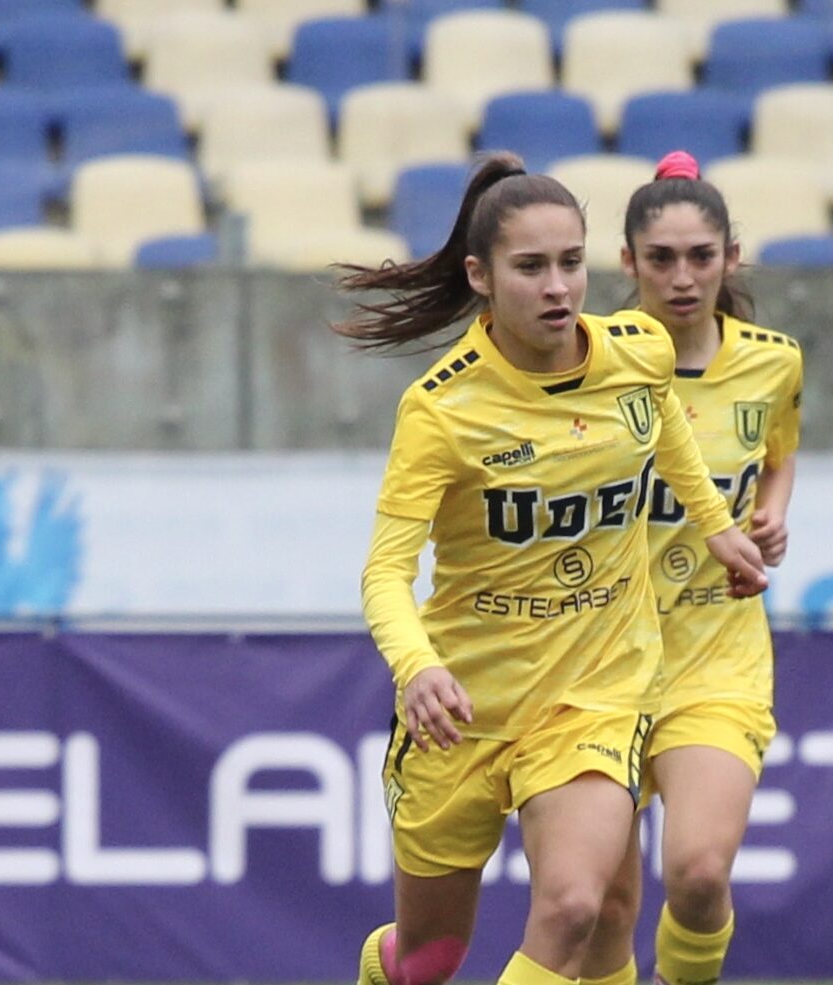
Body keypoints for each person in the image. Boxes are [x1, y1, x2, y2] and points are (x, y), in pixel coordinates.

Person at [333, 152, 769, 985]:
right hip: (464, 708)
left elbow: (663, 419)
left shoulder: (636, 350)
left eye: (570, 261)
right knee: (428, 959)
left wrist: (715, 526)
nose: (558, 287)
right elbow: (385, 573)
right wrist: (418, 666)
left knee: (579, 907)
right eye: (530, 267)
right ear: (481, 275)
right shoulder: (441, 408)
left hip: (594, 694)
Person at [579, 151, 803, 985]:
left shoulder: (774, 360)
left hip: (715, 656)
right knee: (603, 905)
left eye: (700, 257)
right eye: (662, 259)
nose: (683, 277)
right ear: (628, 263)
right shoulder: (585, 362)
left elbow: (777, 451)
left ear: (730, 259)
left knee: (701, 873)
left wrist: (773, 510)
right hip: (595, 663)